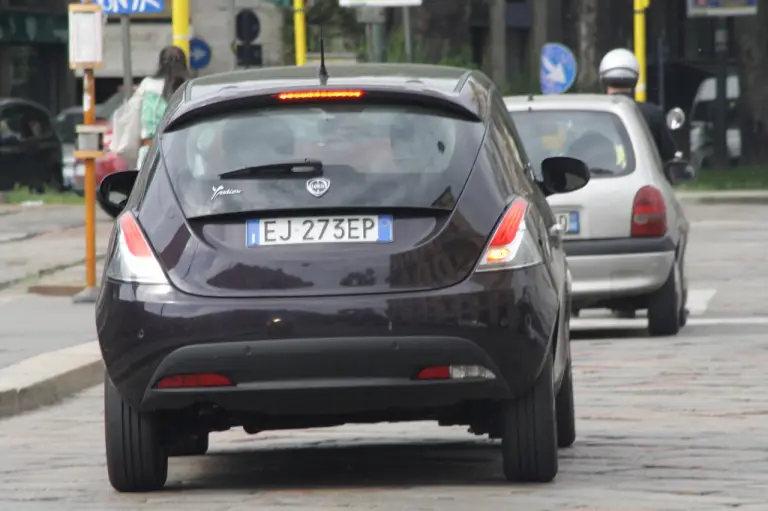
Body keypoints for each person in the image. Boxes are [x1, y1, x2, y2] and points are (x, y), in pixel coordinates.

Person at [598, 48, 677, 163]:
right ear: (635, 79)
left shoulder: (595, 114)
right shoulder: (652, 114)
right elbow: (668, 153)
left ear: (603, 81)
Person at [136, 45, 189, 167]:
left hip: (149, 153)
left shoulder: (147, 85)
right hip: (183, 154)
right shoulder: (189, 88)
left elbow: (135, 117)